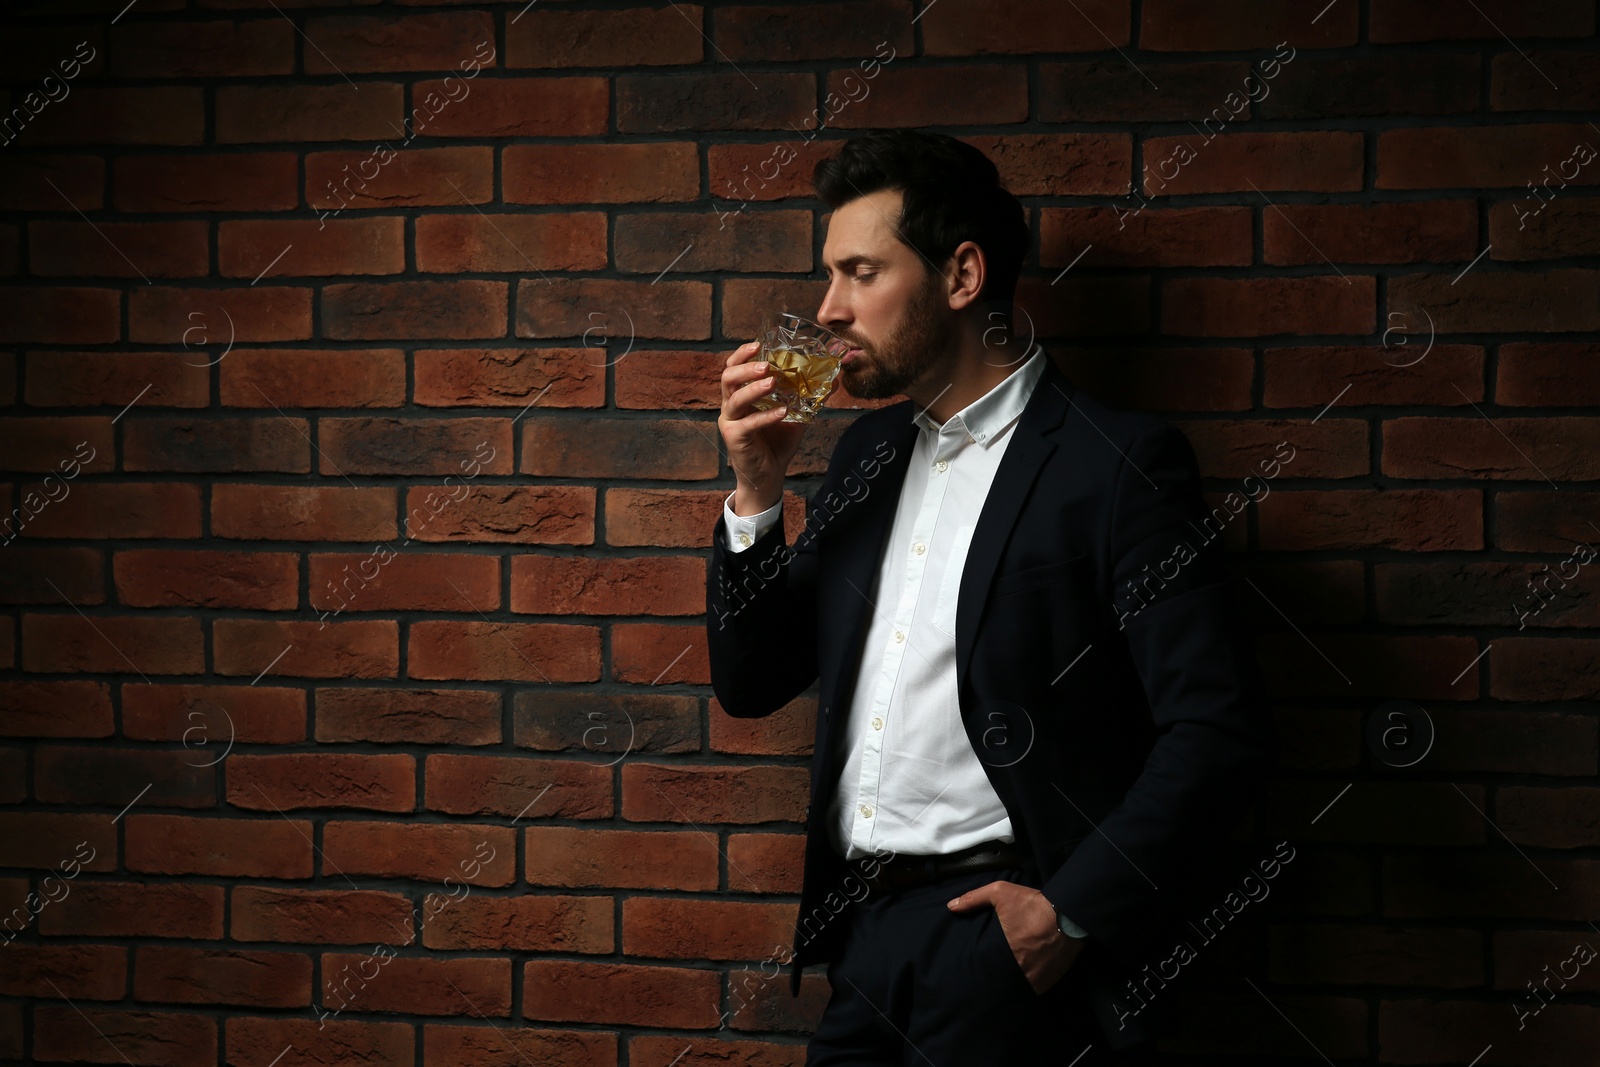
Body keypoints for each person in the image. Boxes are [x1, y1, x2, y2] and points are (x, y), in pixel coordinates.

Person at [707, 128, 1277, 1065]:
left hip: (1005, 946)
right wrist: (758, 493)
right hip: (863, 941)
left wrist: (1068, 914)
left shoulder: (1117, 463)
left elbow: (1219, 729)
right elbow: (752, 678)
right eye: (829, 275)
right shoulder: (867, 454)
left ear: (963, 275)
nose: (828, 310)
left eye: (859, 273)